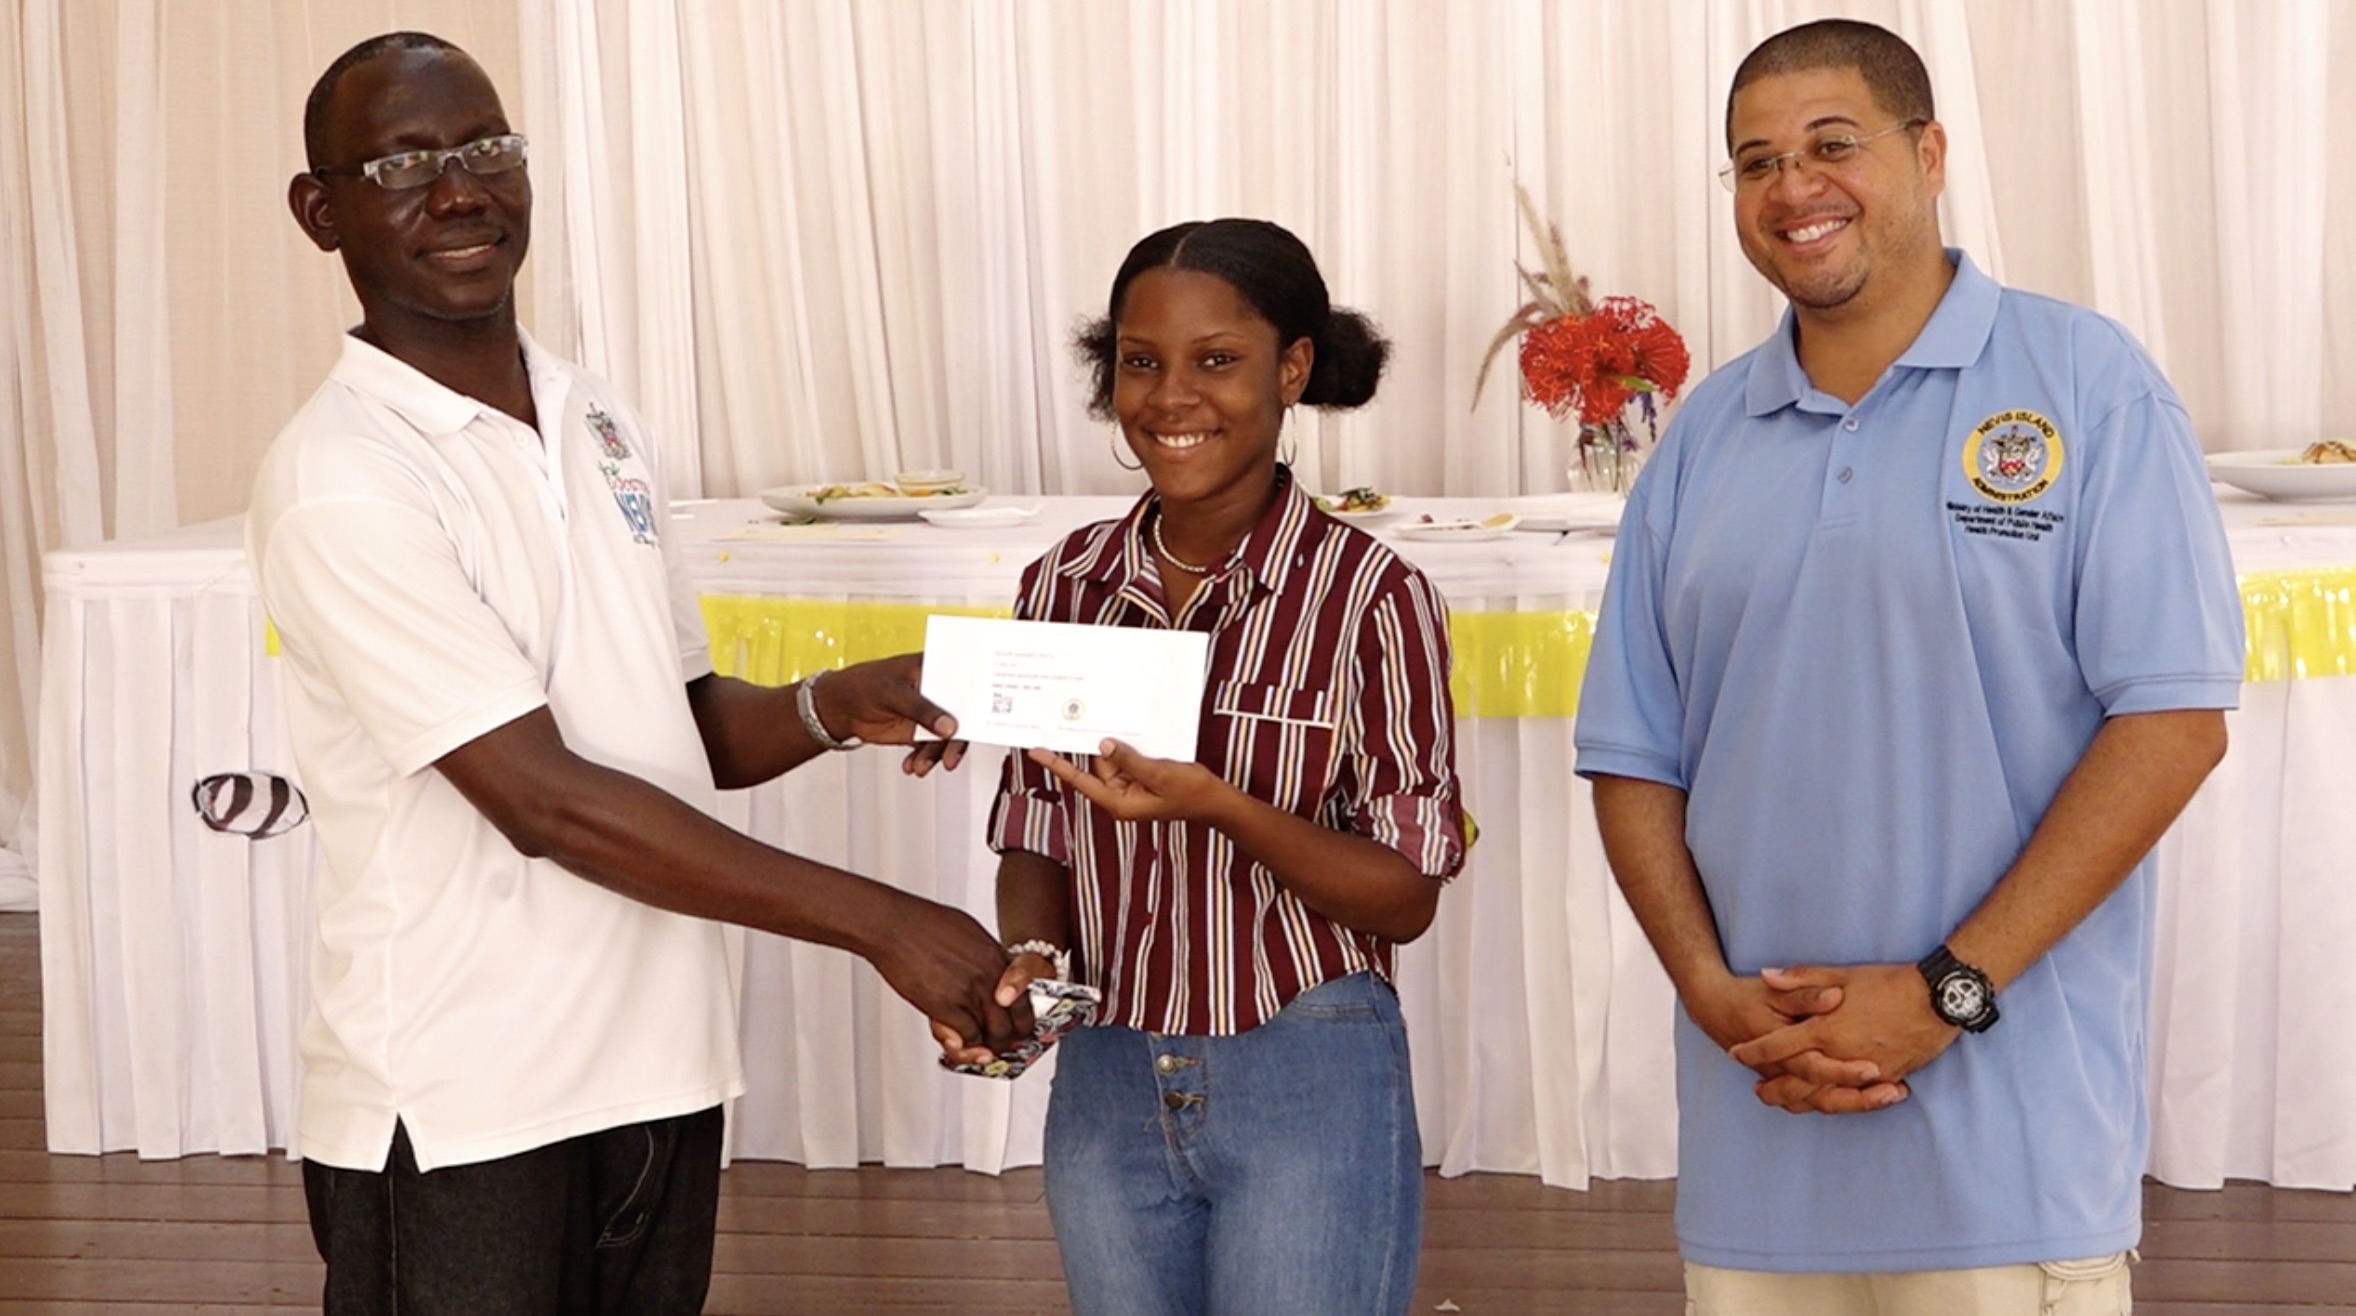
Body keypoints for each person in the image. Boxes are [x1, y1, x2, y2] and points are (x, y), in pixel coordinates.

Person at [248, 32, 1024, 1314]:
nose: (462, 190)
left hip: (660, 1068)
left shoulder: (593, 411)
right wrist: (884, 923)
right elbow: (543, 799)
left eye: (487, 148)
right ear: (320, 212)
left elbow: (678, 720)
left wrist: (832, 703)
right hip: (464, 1096)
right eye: (404, 165)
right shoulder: (344, 477)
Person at [1574, 18, 2244, 1315]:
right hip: (1757, 1145)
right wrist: (1709, 991)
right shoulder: (1705, 436)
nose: (1792, 188)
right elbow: (1631, 752)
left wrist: (1949, 989)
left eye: (1832, 144)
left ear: (1929, 153)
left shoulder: (2086, 383)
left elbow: (2173, 723)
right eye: (1755, 162)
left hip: (2011, 1158)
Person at [935, 218, 1467, 1316]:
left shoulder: (1372, 598)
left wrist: (1220, 804)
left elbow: (1406, 895)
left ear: (1293, 368)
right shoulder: (1064, 583)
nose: (1171, 397)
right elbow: (1036, 827)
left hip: (1307, 1067)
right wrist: (1031, 960)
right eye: (1141, 361)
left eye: (1216, 359)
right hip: (1107, 1074)